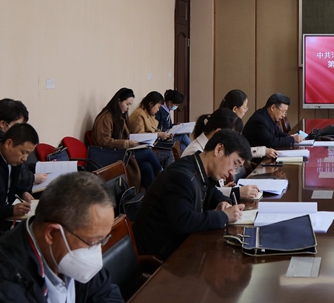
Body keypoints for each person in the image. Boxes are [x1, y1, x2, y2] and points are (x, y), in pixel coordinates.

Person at [0, 172, 123, 302]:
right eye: (94, 242)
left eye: (102, 240)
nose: (97, 250)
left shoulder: (71, 252)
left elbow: (106, 293)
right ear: (51, 234)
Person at [133, 129, 250, 260]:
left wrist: (223, 202)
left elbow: (212, 191)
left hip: (182, 247)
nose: (232, 172)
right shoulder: (181, 176)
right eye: (235, 164)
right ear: (219, 149)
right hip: (161, 258)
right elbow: (183, 221)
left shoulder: (199, 167)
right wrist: (224, 216)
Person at [91, 88, 163, 189]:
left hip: (120, 152)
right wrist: (127, 143)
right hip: (110, 155)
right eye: (127, 104)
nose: (128, 108)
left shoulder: (119, 116)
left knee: (147, 166)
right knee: (148, 153)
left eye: (130, 105)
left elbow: (125, 136)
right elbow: (103, 140)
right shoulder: (106, 117)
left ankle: (152, 194)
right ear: (118, 101)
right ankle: (164, 176)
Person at [129, 91, 175, 168]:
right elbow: (139, 137)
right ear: (151, 104)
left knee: (172, 148)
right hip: (142, 149)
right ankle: (164, 174)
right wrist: (158, 135)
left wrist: (166, 136)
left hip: (151, 146)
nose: (158, 110)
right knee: (169, 153)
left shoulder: (149, 113)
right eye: (158, 107)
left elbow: (154, 129)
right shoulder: (139, 115)